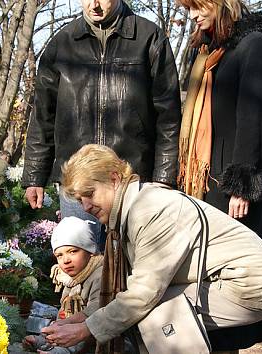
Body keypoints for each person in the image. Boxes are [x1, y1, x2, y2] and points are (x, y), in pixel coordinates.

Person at [40, 144, 262, 353]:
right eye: (80, 199)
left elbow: (142, 294)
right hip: (229, 278)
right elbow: (124, 289)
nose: (86, 206)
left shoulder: (150, 211)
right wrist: (81, 318)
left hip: (246, 283)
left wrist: (86, 330)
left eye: (89, 194)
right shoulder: (133, 207)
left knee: (151, 311)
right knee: (142, 311)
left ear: (114, 179)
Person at [21, 0, 182, 248]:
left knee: (132, 267)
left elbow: (168, 117)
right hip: (76, 183)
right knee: (81, 265)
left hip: (132, 180)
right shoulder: (62, 44)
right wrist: (34, 175)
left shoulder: (148, 38)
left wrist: (164, 177)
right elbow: (43, 116)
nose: (94, 5)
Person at [175, 0, 262, 350]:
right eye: (187, 8)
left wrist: (242, 186)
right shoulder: (205, 48)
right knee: (199, 274)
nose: (192, 15)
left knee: (226, 277)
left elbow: (253, 116)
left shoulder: (253, 44)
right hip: (200, 180)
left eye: (197, 6)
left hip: (230, 181)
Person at [23, 216, 103, 354]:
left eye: (73, 251)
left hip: (92, 338)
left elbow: (94, 314)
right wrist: (47, 336)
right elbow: (64, 315)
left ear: (90, 251)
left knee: (79, 328)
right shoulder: (70, 278)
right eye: (59, 255)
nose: (65, 260)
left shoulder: (100, 275)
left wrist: (63, 329)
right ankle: (46, 342)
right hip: (72, 334)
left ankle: (59, 351)